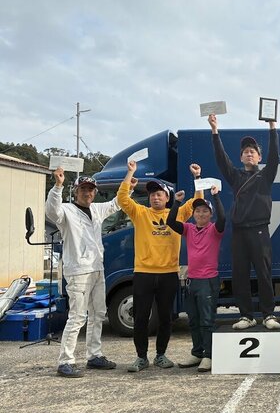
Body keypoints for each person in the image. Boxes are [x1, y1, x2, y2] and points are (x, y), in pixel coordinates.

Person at [118, 161, 203, 372]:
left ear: (167, 197)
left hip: (168, 273)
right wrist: (130, 173)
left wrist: (197, 178)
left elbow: (197, 202)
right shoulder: (140, 213)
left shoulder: (177, 214)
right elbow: (122, 199)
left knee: (166, 318)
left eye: (159, 194)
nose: (155, 197)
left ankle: (161, 355)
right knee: (140, 317)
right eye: (152, 194)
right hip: (143, 273)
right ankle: (141, 357)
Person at [45, 168, 122, 377]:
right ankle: (65, 361)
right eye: (83, 189)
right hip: (78, 271)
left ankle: (94, 355)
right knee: (78, 316)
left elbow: (116, 203)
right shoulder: (66, 211)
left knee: (98, 314)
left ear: (94, 193)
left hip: (97, 268)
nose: (87, 193)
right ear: (76, 191)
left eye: (90, 189)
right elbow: (51, 211)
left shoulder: (97, 209)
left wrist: (129, 186)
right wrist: (58, 186)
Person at [208, 114, 280, 330]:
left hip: (260, 231)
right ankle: (246, 316)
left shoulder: (265, 175)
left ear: (259, 157)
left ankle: (268, 315)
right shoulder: (235, 176)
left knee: (264, 274)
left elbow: (275, 156)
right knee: (240, 276)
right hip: (239, 232)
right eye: (245, 151)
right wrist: (214, 131)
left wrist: (272, 127)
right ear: (241, 158)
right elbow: (221, 159)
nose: (249, 153)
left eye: (253, 151)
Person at [167, 186, 225, 373]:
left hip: (208, 281)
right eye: (197, 211)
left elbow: (223, 219)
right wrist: (176, 202)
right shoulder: (189, 229)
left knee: (207, 320)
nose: (201, 214)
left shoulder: (214, 230)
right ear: (193, 214)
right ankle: (197, 352)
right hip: (191, 280)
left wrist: (216, 197)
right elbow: (170, 221)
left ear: (210, 214)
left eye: (205, 211)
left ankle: (208, 355)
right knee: (193, 319)